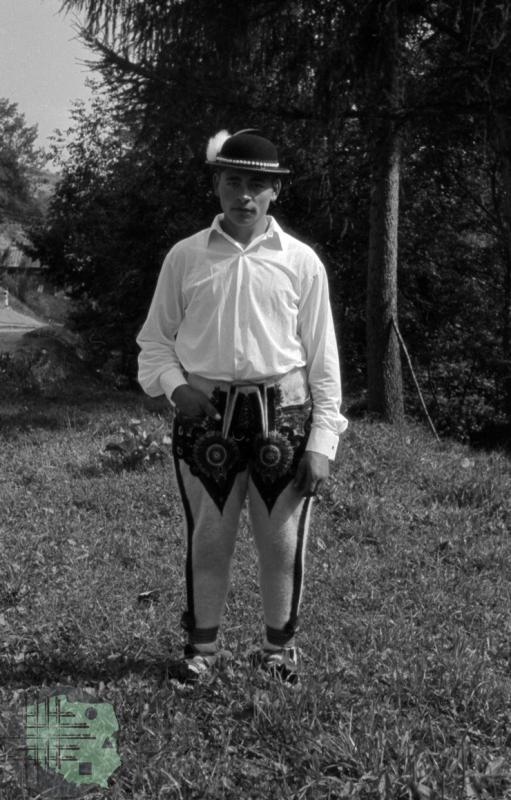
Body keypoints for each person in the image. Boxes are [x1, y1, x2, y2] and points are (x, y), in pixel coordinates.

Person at [137, 129, 348, 683]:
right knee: (209, 535)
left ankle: (280, 651)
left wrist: (323, 441)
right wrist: (174, 387)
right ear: (217, 184)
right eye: (233, 181)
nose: (244, 195)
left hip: (286, 415)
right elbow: (154, 341)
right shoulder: (186, 256)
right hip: (205, 414)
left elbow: (323, 358)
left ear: (276, 190)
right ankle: (202, 650)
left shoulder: (301, 262)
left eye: (258, 184)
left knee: (282, 541)